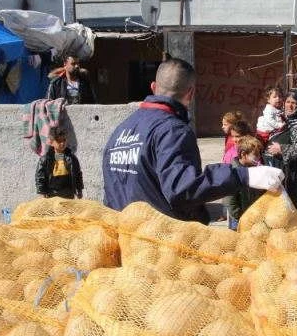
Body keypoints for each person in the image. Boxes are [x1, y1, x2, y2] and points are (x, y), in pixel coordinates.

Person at [102, 58, 283, 223]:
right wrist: (244, 175)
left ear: (153, 87)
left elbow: (110, 194)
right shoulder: (172, 130)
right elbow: (182, 188)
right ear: (190, 93)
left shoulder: (121, 130)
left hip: (125, 238)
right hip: (163, 241)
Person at [266, 89, 297, 225]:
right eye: (287, 102)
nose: (289, 105)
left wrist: (281, 149)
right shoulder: (287, 120)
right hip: (288, 174)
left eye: (294, 102)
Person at [225, 136, 264, 230]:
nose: (259, 157)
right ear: (243, 154)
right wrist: (239, 216)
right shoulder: (233, 173)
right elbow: (229, 200)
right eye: (256, 154)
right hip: (238, 220)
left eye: (260, 154)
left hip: (252, 216)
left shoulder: (254, 169)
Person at [35, 126, 83, 200]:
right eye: (58, 141)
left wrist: (79, 190)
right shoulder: (45, 159)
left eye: (64, 140)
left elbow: (78, 175)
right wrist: (42, 193)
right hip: (51, 196)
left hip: (68, 195)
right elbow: (40, 177)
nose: (62, 143)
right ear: (51, 142)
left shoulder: (72, 158)